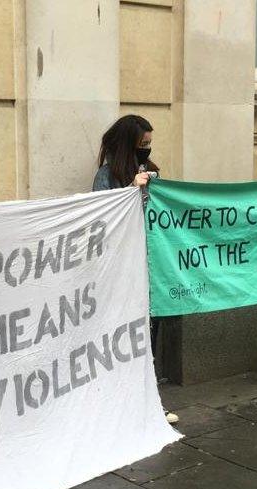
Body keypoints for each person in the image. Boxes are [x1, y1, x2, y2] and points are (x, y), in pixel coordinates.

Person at [91, 114, 177, 424]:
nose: (147, 149)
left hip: (151, 264)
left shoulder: (150, 170)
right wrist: (131, 189)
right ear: (129, 144)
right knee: (125, 336)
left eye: (150, 144)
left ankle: (149, 401)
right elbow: (103, 219)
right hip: (123, 270)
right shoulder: (106, 176)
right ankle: (123, 403)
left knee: (149, 336)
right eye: (143, 144)